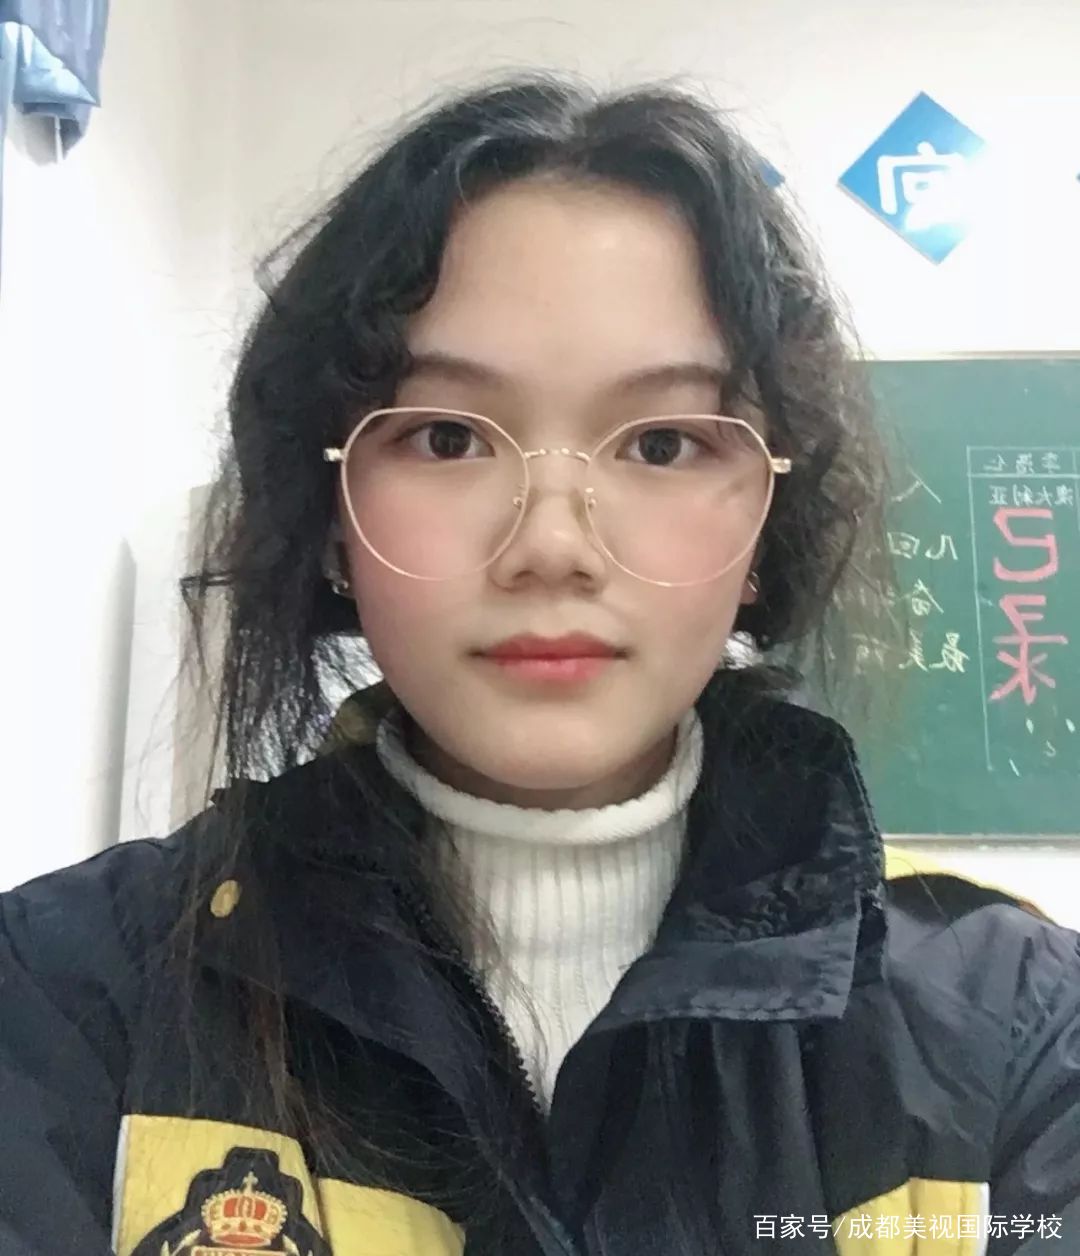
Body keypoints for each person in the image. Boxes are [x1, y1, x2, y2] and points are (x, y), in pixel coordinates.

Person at [1, 74, 1077, 1256]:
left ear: (767, 527)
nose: (552, 545)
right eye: (447, 436)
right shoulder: (61, 992)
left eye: (662, 442)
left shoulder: (1018, 1027)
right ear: (333, 519)